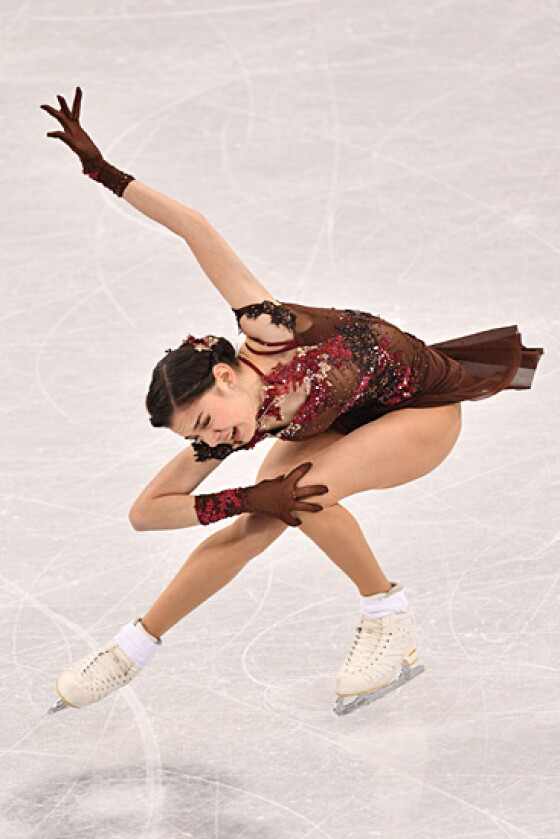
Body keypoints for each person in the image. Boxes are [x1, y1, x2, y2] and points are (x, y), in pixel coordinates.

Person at [41, 88, 544, 716]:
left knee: (301, 492)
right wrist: (245, 498)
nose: (212, 440)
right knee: (265, 513)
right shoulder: (233, 423)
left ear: (225, 376)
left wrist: (106, 173)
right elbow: (146, 514)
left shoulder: (269, 330)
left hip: (423, 408)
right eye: (196, 437)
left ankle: (388, 616)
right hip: (350, 416)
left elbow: (195, 228)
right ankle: (132, 649)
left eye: (205, 423)